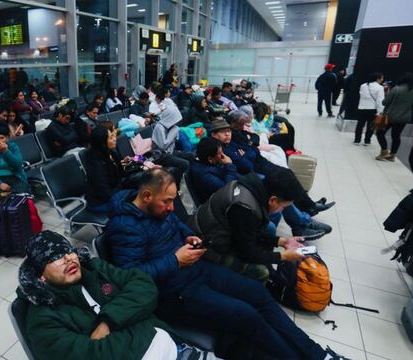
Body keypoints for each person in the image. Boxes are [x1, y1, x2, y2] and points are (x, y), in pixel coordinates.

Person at [105, 169, 349, 360]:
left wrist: (188, 236)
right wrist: (174, 259)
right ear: (146, 196)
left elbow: (176, 223)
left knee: (257, 293)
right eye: (167, 202)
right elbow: (129, 275)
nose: (171, 207)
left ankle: (318, 354)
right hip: (173, 291)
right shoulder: (124, 227)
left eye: (173, 200)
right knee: (248, 316)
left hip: (194, 270)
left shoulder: (158, 209)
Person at [18, 230, 212, 360]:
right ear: (41, 276)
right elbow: (92, 356)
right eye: (55, 257)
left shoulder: (94, 269)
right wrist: (136, 318)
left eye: (68, 251)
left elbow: (144, 285)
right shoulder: (42, 320)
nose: (68, 258)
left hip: (175, 349)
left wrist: (108, 322)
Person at [188, 137, 330, 240]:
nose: (223, 156)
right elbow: (227, 190)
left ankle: (301, 222)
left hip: (240, 189)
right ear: (211, 159)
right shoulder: (203, 174)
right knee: (274, 204)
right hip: (227, 204)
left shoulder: (212, 162)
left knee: (278, 189)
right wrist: (229, 165)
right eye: (220, 154)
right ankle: (276, 230)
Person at [191, 170, 309, 282]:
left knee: (270, 229)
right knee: (261, 271)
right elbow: (246, 253)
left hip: (217, 233)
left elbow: (251, 233)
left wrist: (282, 241)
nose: (282, 210)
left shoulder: (252, 186)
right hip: (204, 247)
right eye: (284, 206)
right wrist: (283, 256)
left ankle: (269, 273)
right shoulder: (245, 209)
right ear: (273, 200)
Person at [211, 119, 334, 217]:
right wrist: (247, 152)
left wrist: (246, 152)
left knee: (287, 173)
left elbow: (254, 144)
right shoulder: (220, 149)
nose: (227, 134)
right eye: (222, 132)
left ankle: (308, 207)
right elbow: (246, 165)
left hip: (260, 163)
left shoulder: (233, 141)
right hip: (253, 173)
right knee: (284, 182)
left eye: (228, 131)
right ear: (214, 135)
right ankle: (308, 208)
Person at [376, 73, 413, 161]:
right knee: (396, 136)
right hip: (404, 118)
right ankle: (392, 156)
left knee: (380, 133)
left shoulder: (396, 89)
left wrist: (386, 94)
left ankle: (384, 151)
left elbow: (384, 103)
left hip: (390, 117)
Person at [0, 123, 30, 195]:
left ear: (7, 138)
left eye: (2, 138)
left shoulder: (13, 146)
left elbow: (18, 165)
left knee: (21, 190)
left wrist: (6, 151)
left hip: (13, 176)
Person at [84, 126, 124, 213]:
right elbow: (105, 194)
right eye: (111, 137)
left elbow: (122, 175)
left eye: (114, 136)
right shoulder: (95, 162)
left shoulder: (112, 153)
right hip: (100, 202)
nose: (115, 139)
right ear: (102, 143)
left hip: (115, 192)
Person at [355, 72, 385, 146]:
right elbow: (379, 101)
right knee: (370, 126)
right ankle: (367, 141)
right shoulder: (380, 88)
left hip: (361, 108)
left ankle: (357, 140)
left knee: (360, 125)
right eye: (382, 78)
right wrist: (380, 112)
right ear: (378, 78)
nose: (382, 79)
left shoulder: (363, 85)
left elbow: (361, 95)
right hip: (372, 109)